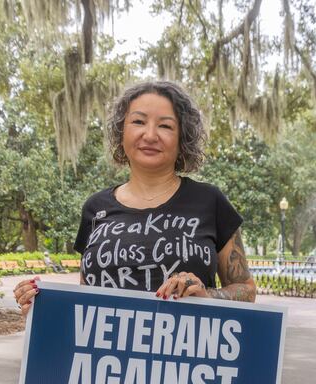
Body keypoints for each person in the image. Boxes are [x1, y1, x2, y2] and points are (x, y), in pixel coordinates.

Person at [14, 81, 256, 316]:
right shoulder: (95, 208)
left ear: (183, 139)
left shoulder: (210, 201)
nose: (150, 135)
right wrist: (42, 308)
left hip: (187, 342)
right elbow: (86, 304)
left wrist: (207, 295)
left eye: (165, 126)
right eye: (138, 121)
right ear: (121, 133)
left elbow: (246, 289)